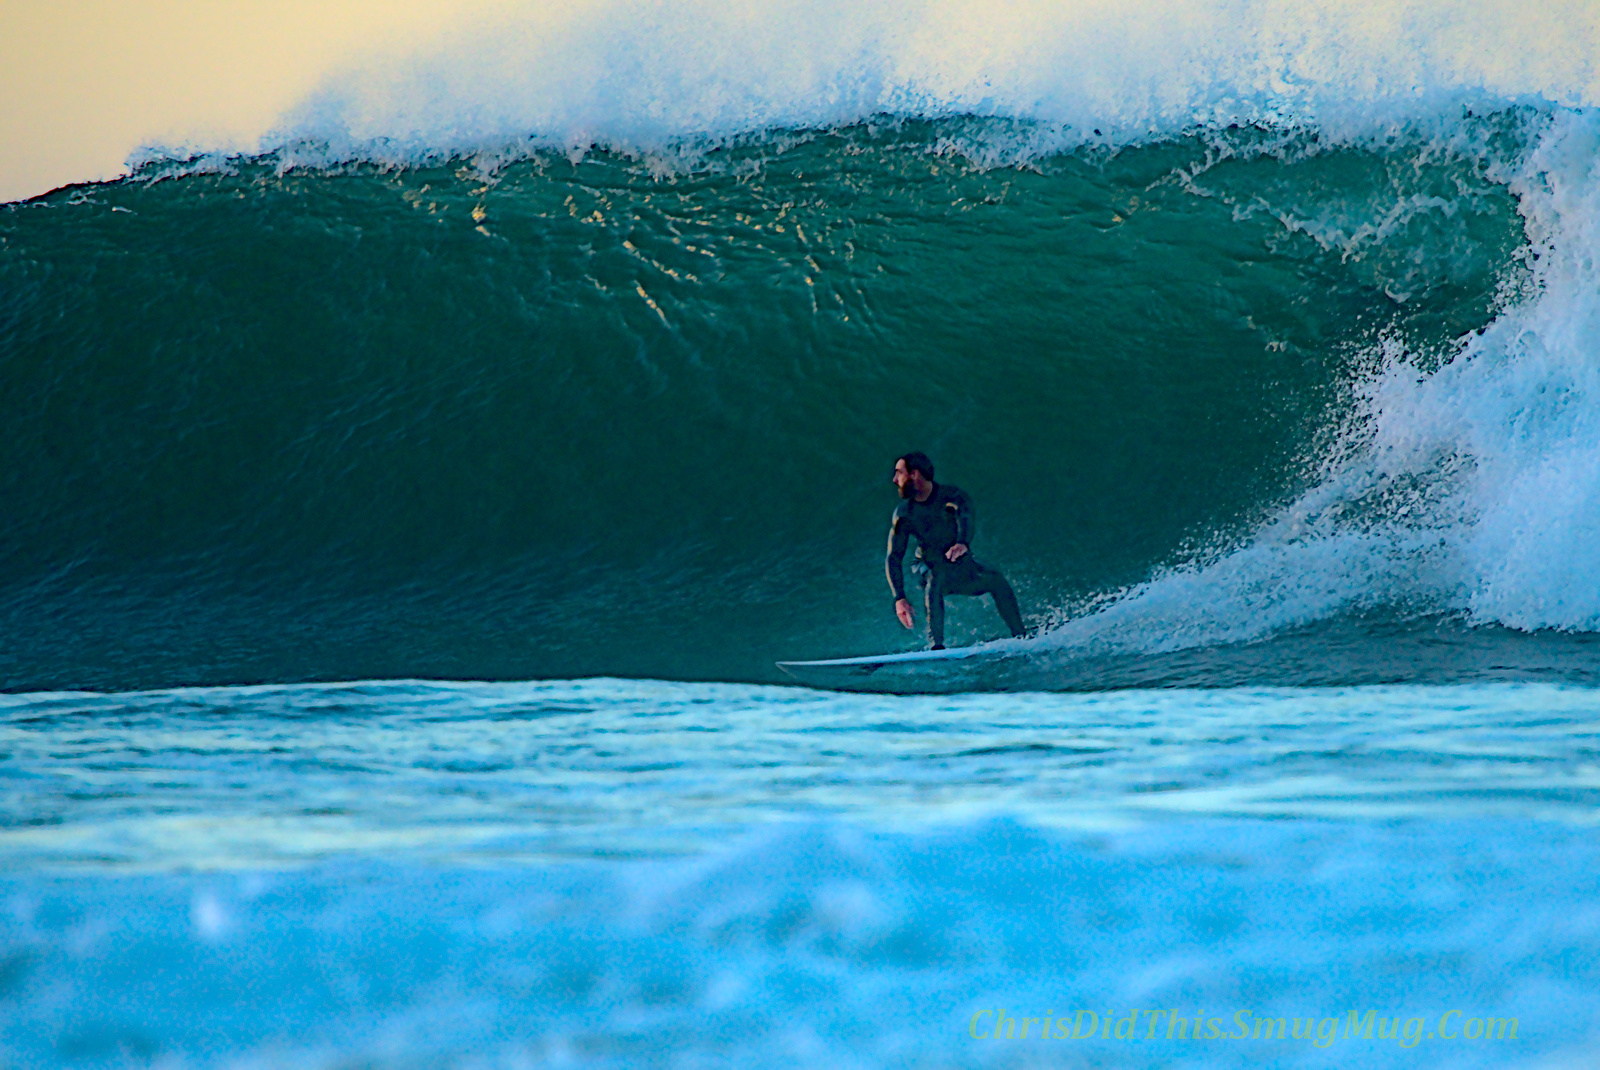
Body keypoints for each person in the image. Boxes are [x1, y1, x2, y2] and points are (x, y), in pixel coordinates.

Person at [886, 451, 1026, 649]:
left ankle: (1021, 637)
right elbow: (894, 557)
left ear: (914, 474)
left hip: (956, 563)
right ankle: (936, 646)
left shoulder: (951, 497)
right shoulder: (904, 514)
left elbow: (966, 516)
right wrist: (899, 597)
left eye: (899, 473)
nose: (894, 479)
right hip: (924, 566)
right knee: (936, 575)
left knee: (996, 580)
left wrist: (962, 543)